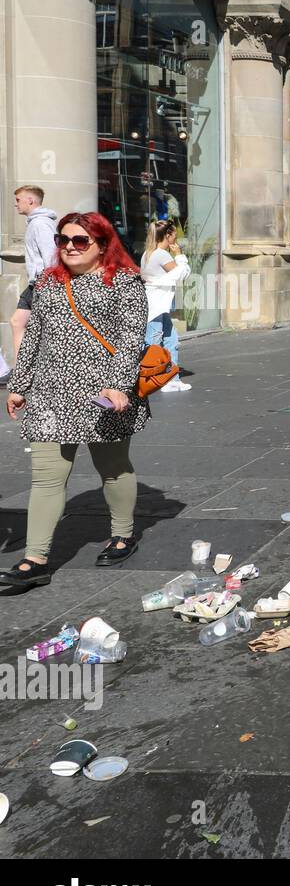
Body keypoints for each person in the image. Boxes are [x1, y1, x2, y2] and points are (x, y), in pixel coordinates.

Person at [1, 212, 151, 589]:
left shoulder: (125, 283)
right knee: (47, 477)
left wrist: (118, 385)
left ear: (102, 244)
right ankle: (34, 559)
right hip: (52, 394)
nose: (69, 246)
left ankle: (123, 533)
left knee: (113, 466)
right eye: (63, 239)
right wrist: (19, 385)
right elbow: (33, 335)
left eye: (81, 240)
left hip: (104, 394)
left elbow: (133, 339)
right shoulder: (48, 282)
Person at [3, 186, 59, 384]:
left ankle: (25, 373)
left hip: (43, 283)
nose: (15, 203)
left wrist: (49, 283)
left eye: (18, 200)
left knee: (41, 328)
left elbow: (51, 255)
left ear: (31, 201)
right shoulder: (36, 223)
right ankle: (23, 372)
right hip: (37, 283)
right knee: (17, 322)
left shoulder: (40, 224)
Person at [139, 219, 191, 393]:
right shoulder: (162, 254)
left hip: (156, 305)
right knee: (154, 343)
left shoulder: (148, 253)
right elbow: (181, 274)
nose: (176, 238)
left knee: (170, 339)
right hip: (155, 307)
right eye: (174, 234)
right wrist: (180, 255)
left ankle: (171, 379)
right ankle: (152, 379)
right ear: (168, 235)